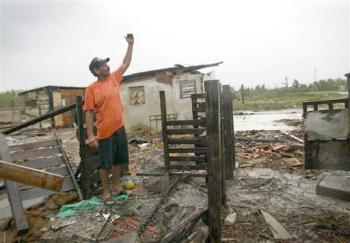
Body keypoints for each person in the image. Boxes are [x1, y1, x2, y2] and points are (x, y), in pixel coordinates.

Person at [83, 34, 134, 205]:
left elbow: (125, 63)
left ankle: (116, 187)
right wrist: (90, 135)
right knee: (105, 164)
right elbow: (89, 112)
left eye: (106, 63)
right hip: (105, 132)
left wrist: (130, 45)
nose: (107, 66)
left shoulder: (113, 79)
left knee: (119, 160)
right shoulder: (91, 89)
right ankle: (106, 192)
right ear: (96, 71)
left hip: (119, 127)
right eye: (103, 65)